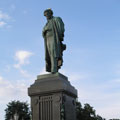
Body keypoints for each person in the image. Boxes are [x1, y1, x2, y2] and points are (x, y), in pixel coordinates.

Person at [42, 9, 66, 73]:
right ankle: (51, 68)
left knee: (54, 53)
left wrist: (60, 37)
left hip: (54, 38)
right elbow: (43, 32)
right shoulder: (46, 24)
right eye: (45, 15)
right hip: (47, 39)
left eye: (47, 14)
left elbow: (61, 28)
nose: (46, 16)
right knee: (48, 55)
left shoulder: (56, 19)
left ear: (50, 13)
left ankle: (54, 69)